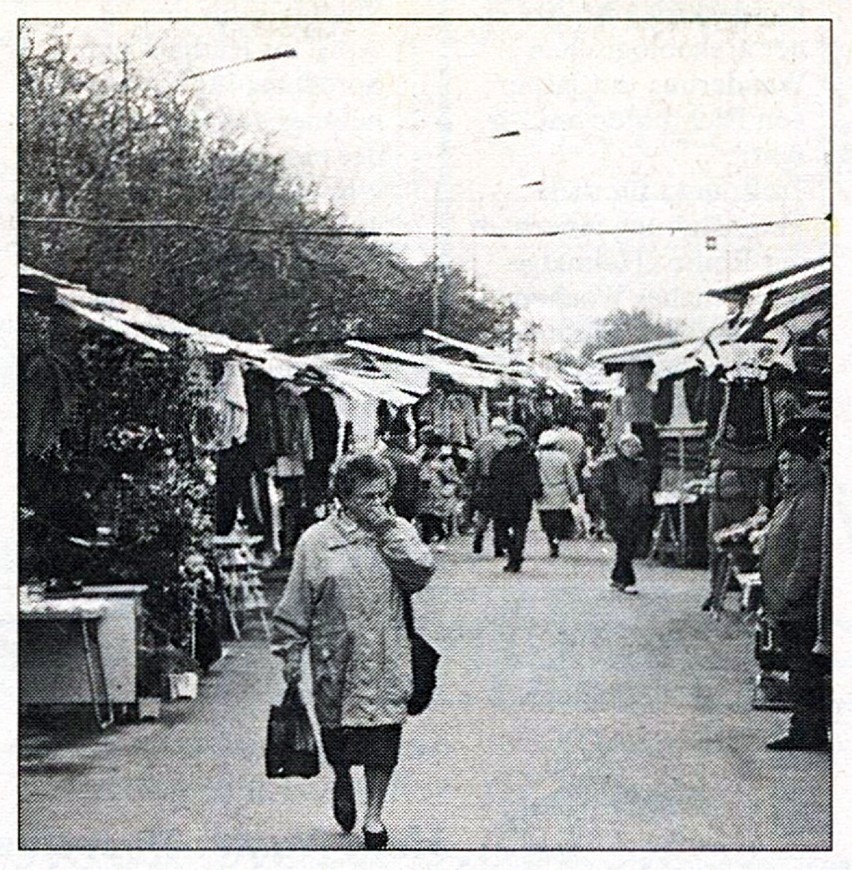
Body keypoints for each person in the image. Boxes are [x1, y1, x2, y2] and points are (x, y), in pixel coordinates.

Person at [270, 453, 436, 848]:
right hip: (336, 659)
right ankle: (342, 777)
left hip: (386, 655)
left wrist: (389, 531)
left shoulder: (396, 531)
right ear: (343, 497)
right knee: (340, 738)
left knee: (383, 738)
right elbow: (296, 602)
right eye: (366, 497)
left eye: (383, 495)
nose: (376, 504)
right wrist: (290, 652)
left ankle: (374, 814)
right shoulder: (316, 542)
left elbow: (420, 573)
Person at [761, 425, 829, 751]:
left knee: (804, 672)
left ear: (809, 464)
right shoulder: (794, 498)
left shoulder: (811, 500)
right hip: (785, 603)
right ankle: (804, 727)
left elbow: (810, 556)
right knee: (799, 670)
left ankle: (808, 730)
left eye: (791, 462)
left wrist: (788, 593)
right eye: (782, 463)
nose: (785, 468)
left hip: (796, 605)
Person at [599, 432, 654, 594]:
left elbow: (648, 484)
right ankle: (627, 580)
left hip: (638, 509)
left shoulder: (643, 464)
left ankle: (617, 577)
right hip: (619, 510)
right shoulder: (611, 464)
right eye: (628, 445)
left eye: (635, 446)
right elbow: (607, 488)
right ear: (621, 447)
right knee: (626, 544)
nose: (632, 449)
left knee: (627, 545)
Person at [488, 423, 543, 572]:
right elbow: (492, 475)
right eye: (509, 436)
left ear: (521, 438)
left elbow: (534, 477)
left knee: (519, 530)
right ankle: (513, 553)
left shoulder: (528, 456)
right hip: (502, 499)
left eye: (515, 436)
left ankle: (515, 558)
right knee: (501, 531)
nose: (512, 439)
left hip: (520, 499)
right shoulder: (500, 455)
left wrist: (534, 492)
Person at [466, 416, 507, 556]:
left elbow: (472, 465)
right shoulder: (505, 443)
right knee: (500, 516)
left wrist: (470, 482)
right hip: (501, 483)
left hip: (483, 483)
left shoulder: (481, 443)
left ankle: (478, 535)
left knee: (483, 512)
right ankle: (498, 547)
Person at [535, 430, 579, 557]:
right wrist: (574, 493)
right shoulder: (563, 457)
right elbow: (570, 477)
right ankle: (556, 539)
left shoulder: (537, 456)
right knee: (558, 518)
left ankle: (551, 540)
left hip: (543, 492)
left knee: (546, 519)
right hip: (560, 492)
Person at [416, 437, 460, 551]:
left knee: (437, 518)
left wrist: (446, 490)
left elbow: (453, 479)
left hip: (440, 494)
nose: (433, 451)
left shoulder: (446, 461)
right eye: (430, 448)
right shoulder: (423, 460)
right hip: (425, 494)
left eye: (435, 448)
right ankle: (425, 541)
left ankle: (441, 538)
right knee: (425, 517)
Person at [382, 434, 421, 522]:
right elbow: (414, 484)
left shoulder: (383, 458)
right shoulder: (409, 461)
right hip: (404, 499)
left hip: (394, 497)